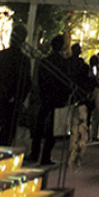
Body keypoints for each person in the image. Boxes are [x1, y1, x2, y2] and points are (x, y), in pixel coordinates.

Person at [29, 33, 71, 166]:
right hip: (57, 98)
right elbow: (66, 83)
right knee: (53, 127)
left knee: (40, 123)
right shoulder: (63, 63)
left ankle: (34, 152)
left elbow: (40, 78)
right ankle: (46, 155)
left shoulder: (45, 61)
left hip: (45, 96)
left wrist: (40, 92)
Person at [0, 24, 31, 146]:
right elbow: (26, 82)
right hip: (14, 99)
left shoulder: (2, 55)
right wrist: (20, 98)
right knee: (9, 129)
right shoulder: (24, 59)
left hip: (0, 95)